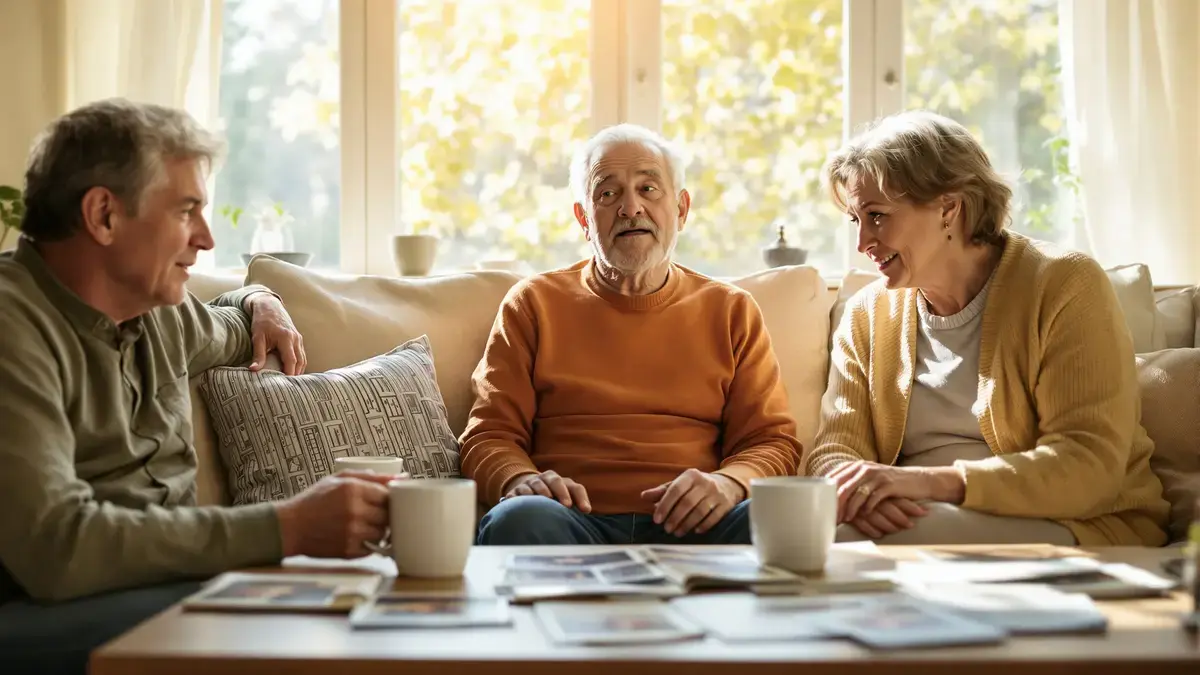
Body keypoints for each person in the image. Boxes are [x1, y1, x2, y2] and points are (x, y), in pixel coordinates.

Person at [0, 99, 401, 674]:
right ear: (104, 216)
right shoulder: (14, 328)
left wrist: (261, 298)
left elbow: (238, 326)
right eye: (186, 211)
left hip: (162, 588)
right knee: (288, 628)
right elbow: (55, 548)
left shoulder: (164, 311)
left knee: (360, 614)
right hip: (38, 610)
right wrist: (287, 527)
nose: (207, 239)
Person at [805, 110, 1170, 546]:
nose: (862, 241)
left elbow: (1086, 465)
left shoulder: (1064, 284)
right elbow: (833, 450)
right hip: (921, 515)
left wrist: (928, 484)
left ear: (949, 208)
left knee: (861, 543)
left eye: (877, 216)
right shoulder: (867, 313)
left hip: (1080, 523)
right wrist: (862, 495)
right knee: (819, 532)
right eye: (855, 220)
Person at [460, 124, 802, 546]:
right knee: (519, 518)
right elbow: (488, 434)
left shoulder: (731, 310)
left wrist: (730, 484)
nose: (630, 208)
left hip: (700, 525)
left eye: (648, 189)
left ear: (681, 209)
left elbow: (771, 442)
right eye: (607, 194)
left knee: (778, 517)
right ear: (584, 218)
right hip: (569, 522)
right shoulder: (532, 303)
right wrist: (520, 479)